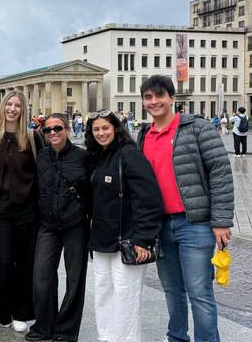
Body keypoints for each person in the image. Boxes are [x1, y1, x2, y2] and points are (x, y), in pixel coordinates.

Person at [137, 75, 233, 342]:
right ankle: (177, 337)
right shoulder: (144, 135)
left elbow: (220, 173)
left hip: (195, 224)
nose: (154, 101)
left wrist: (221, 221)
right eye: (148, 97)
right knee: (172, 291)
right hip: (161, 226)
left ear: (172, 98)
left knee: (199, 292)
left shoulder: (197, 128)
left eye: (159, 96)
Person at [84, 110, 162, 342]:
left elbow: (148, 198)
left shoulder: (130, 155)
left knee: (125, 297)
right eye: (96, 129)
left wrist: (144, 239)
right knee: (103, 292)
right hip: (101, 239)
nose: (101, 133)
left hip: (127, 239)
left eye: (105, 128)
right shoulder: (97, 156)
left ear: (116, 129)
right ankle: (106, 337)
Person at [0, 91, 43, 334]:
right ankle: (4, 311)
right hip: (0, 207)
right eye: (9, 104)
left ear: (23, 109)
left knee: (25, 262)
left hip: (27, 208)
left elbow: (40, 172)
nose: (13, 109)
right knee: (4, 260)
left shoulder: (32, 137)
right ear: (3, 106)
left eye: (17, 105)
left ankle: (21, 311)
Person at [25, 113, 90, 342]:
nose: (53, 133)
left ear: (68, 130)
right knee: (41, 276)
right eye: (48, 129)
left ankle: (66, 329)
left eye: (58, 128)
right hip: (48, 225)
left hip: (75, 225)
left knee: (75, 279)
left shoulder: (83, 157)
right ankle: (44, 326)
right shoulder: (42, 156)